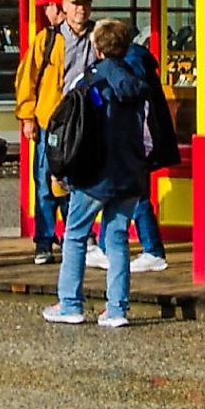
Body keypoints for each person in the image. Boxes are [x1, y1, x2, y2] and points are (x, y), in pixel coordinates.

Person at [44, 19, 153, 330]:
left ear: (97, 47)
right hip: (130, 172)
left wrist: (63, 168)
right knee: (117, 238)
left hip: (95, 172)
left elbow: (73, 127)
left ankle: (70, 303)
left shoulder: (89, 82)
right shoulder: (136, 81)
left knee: (76, 234)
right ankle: (116, 309)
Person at [15, 0, 92, 264]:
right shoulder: (47, 40)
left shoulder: (97, 38)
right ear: (66, 8)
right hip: (51, 122)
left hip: (85, 123)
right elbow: (27, 79)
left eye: (85, 4)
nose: (80, 9)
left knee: (82, 181)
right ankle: (45, 241)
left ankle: (80, 237)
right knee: (46, 181)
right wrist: (27, 117)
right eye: (75, 4)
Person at [87, 29, 172, 277]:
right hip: (134, 144)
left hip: (130, 144)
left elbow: (134, 108)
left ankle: (153, 250)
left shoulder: (127, 69)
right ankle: (105, 247)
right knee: (119, 195)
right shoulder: (134, 63)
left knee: (138, 197)